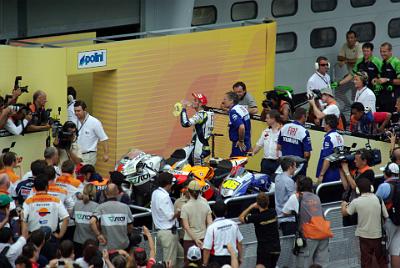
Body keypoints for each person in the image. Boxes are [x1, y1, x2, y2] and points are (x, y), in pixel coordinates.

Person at [283, 176, 333, 268]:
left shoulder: (296, 197)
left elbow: (285, 212)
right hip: (323, 233)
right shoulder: (316, 197)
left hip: (309, 235)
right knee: (321, 265)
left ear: (299, 185)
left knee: (304, 263)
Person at [341, 178, 389, 268]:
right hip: (378, 235)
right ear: (371, 188)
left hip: (364, 236)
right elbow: (385, 216)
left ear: (358, 189)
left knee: (366, 260)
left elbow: (345, 213)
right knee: (381, 259)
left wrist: (343, 204)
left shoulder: (356, 201)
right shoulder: (378, 199)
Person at [239, 192, 280, 268]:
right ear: (268, 202)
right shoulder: (273, 212)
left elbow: (241, 218)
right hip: (276, 249)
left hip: (264, 250)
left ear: (257, 204)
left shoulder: (256, 217)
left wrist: (250, 207)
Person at [150, 172, 183, 266]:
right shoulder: (164, 196)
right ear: (168, 184)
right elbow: (170, 216)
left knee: (181, 256)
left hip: (165, 232)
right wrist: (179, 212)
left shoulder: (155, 193)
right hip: (168, 234)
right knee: (169, 263)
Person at [89, 183, 133, 250]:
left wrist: (99, 235)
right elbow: (130, 228)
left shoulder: (100, 207)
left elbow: (92, 222)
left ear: (105, 193)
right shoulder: (125, 207)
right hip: (123, 246)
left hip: (106, 247)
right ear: (118, 192)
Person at [180, 180, 212, 265]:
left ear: (188, 191)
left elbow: (186, 227)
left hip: (189, 240)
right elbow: (210, 222)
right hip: (204, 238)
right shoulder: (205, 202)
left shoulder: (185, 207)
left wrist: (196, 239)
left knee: (189, 265)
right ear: (200, 191)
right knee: (203, 264)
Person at [202, 201, 243, 267]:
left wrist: (204, 264)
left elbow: (207, 249)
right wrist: (240, 258)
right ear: (226, 212)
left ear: (213, 213)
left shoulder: (211, 228)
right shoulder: (233, 224)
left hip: (217, 260)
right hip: (232, 257)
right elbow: (240, 242)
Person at [340, 148, 375, 226]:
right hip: (348, 207)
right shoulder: (356, 172)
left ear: (364, 161)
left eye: (356, 159)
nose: (354, 161)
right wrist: (342, 171)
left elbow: (355, 187)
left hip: (358, 210)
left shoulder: (369, 173)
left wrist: (347, 171)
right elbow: (346, 187)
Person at [375, 163, 400, 267]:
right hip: (399, 221)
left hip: (389, 221)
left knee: (384, 251)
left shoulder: (385, 186)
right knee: (396, 251)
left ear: (387, 173)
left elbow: (375, 202)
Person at [180, 93, 214, 165]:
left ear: (201, 104)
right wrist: (193, 143)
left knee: (197, 172)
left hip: (199, 149)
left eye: (195, 100)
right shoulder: (209, 113)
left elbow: (185, 123)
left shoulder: (201, 114)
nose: (192, 102)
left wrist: (183, 109)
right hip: (202, 146)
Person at [277, 107, 312, 175]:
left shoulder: (284, 127)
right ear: (303, 117)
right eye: (306, 116)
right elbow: (307, 154)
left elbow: (279, 146)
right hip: (298, 166)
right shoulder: (304, 131)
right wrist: (305, 163)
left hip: (284, 164)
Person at [74, 100, 109, 165]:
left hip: (89, 155)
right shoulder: (74, 121)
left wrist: (106, 154)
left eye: (78, 111)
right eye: (75, 111)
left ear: (85, 110)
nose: (76, 113)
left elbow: (104, 139)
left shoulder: (94, 122)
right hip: (76, 155)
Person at [250, 109, 282, 176]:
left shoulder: (283, 132)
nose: (265, 120)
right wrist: (252, 153)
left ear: (273, 119)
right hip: (266, 162)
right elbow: (259, 145)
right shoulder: (266, 132)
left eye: (267, 118)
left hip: (278, 163)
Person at [316, 114, 345, 184]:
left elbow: (327, 158)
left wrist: (321, 174)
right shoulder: (340, 137)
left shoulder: (328, 138)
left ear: (328, 125)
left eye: (324, 123)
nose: (323, 125)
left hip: (328, 174)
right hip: (337, 172)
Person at [221, 91, 251, 157]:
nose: (223, 101)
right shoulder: (241, 108)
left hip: (239, 144)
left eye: (225, 99)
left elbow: (241, 127)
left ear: (231, 101)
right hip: (247, 141)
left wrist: (241, 141)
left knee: (236, 164)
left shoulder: (233, 112)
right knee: (241, 162)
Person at [73, 183, 99, 257]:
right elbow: (97, 225)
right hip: (91, 243)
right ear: (94, 193)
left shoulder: (77, 204)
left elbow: (75, 221)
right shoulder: (97, 206)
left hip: (77, 241)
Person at [374, 42, 400, 112]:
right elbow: (381, 78)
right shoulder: (383, 63)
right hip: (384, 97)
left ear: (390, 51)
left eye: (384, 51)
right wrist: (376, 80)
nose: (382, 54)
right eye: (381, 51)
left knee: (394, 120)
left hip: (394, 97)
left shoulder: (396, 62)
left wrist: (387, 80)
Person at [274, 157, 297, 235]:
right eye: (295, 166)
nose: (296, 168)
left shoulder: (277, 178)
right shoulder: (289, 181)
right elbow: (293, 199)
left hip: (280, 216)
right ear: (290, 167)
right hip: (288, 218)